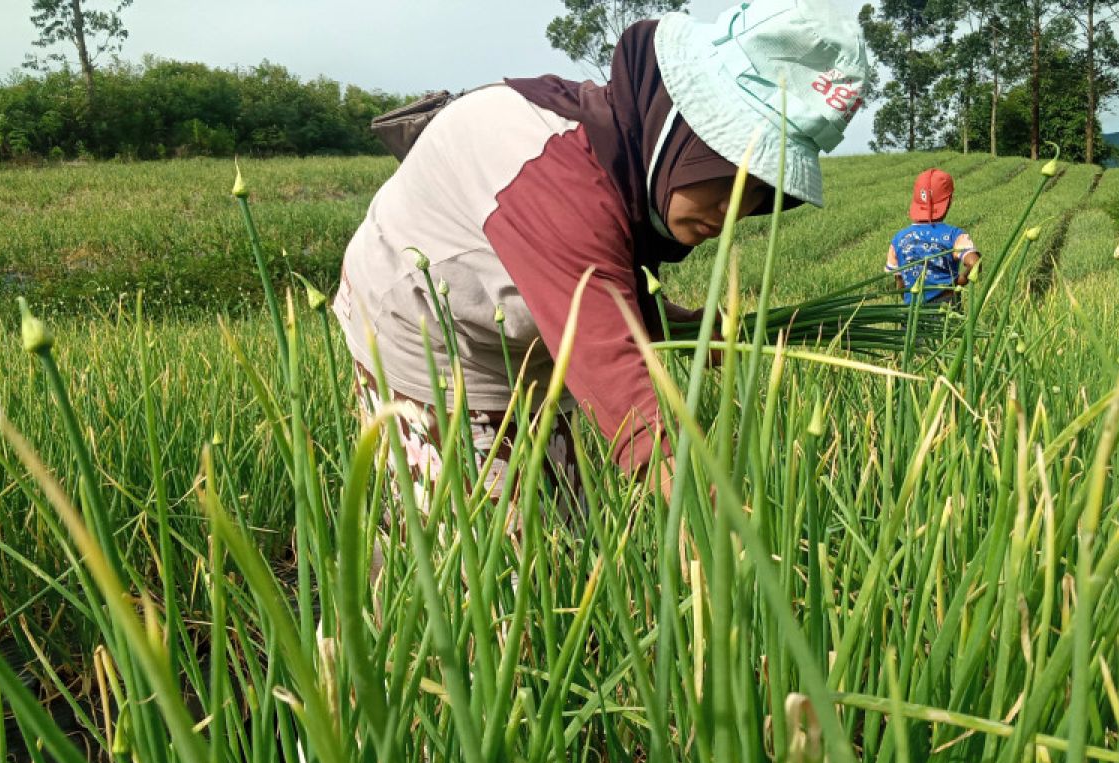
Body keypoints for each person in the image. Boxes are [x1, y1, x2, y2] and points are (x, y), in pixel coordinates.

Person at [334, 0, 870, 499]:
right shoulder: (558, 171)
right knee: (486, 569)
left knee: (560, 535)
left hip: (527, 336)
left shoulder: (621, 150)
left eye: (762, 193)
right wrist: (710, 526)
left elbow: (606, 285)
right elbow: (613, 369)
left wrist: (685, 327)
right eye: (731, 173)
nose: (737, 212)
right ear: (682, 132)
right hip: (429, 337)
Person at [886, 168, 981, 304]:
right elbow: (974, 263)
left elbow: (900, 283)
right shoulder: (955, 235)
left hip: (911, 313)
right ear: (949, 201)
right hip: (945, 308)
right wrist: (960, 280)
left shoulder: (898, 239)